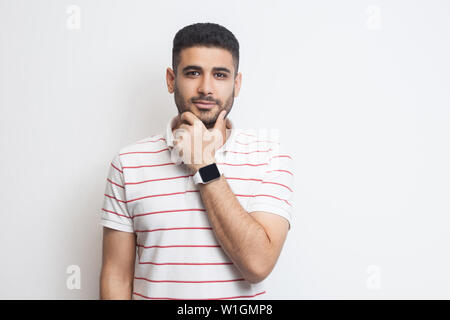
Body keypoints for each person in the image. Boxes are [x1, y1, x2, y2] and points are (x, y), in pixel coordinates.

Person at [99, 22, 294, 300]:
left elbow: (258, 264)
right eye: (193, 73)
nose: (206, 88)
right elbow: (116, 277)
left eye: (220, 75)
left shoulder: (269, 157)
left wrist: (204, 164)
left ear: (236, 84)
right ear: (171, 79)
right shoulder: (129, 164)